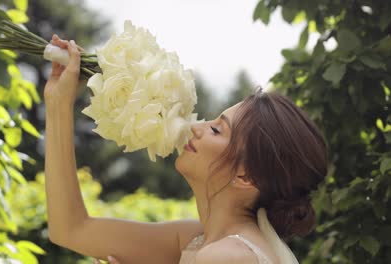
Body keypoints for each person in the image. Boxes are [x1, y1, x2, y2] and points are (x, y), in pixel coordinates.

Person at [44, 35, 327, 264]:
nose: (196, 127)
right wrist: (58, 102)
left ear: (246, 177)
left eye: (217, 129)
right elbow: (71, 229)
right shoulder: (196, 240)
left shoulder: (227, 257)